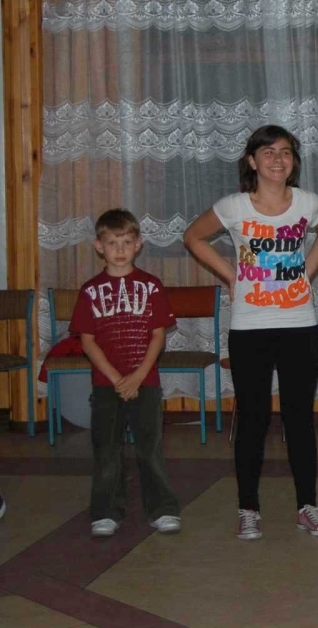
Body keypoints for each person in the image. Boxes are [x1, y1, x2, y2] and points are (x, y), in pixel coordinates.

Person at [183, 125, 318, 540]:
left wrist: (307, 270)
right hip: (250, 326)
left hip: (298, 324)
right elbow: (193, 236)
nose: (277, 159)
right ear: (251, 161)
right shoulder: (234, 206)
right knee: (252, 418)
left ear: (294, 161)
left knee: (298, 418)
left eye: (285, 152)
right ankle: (248, 508)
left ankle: (307, 506)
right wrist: (229, 275)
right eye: (267, 152)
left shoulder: (307, 203)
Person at [70, 208, 181, 538]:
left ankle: (162, 508)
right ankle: (106, 511)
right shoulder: (90, 290)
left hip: (145, 382)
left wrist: (137, 377)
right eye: (112, 243)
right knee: (107, 449)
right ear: (99, 246)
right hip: (107, 385)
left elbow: (158, 336)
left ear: (139, 244)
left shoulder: (152, 286)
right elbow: (87, 341)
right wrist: (118, 379)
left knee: (150, 448)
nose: (120, 249)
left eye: (126, 242)